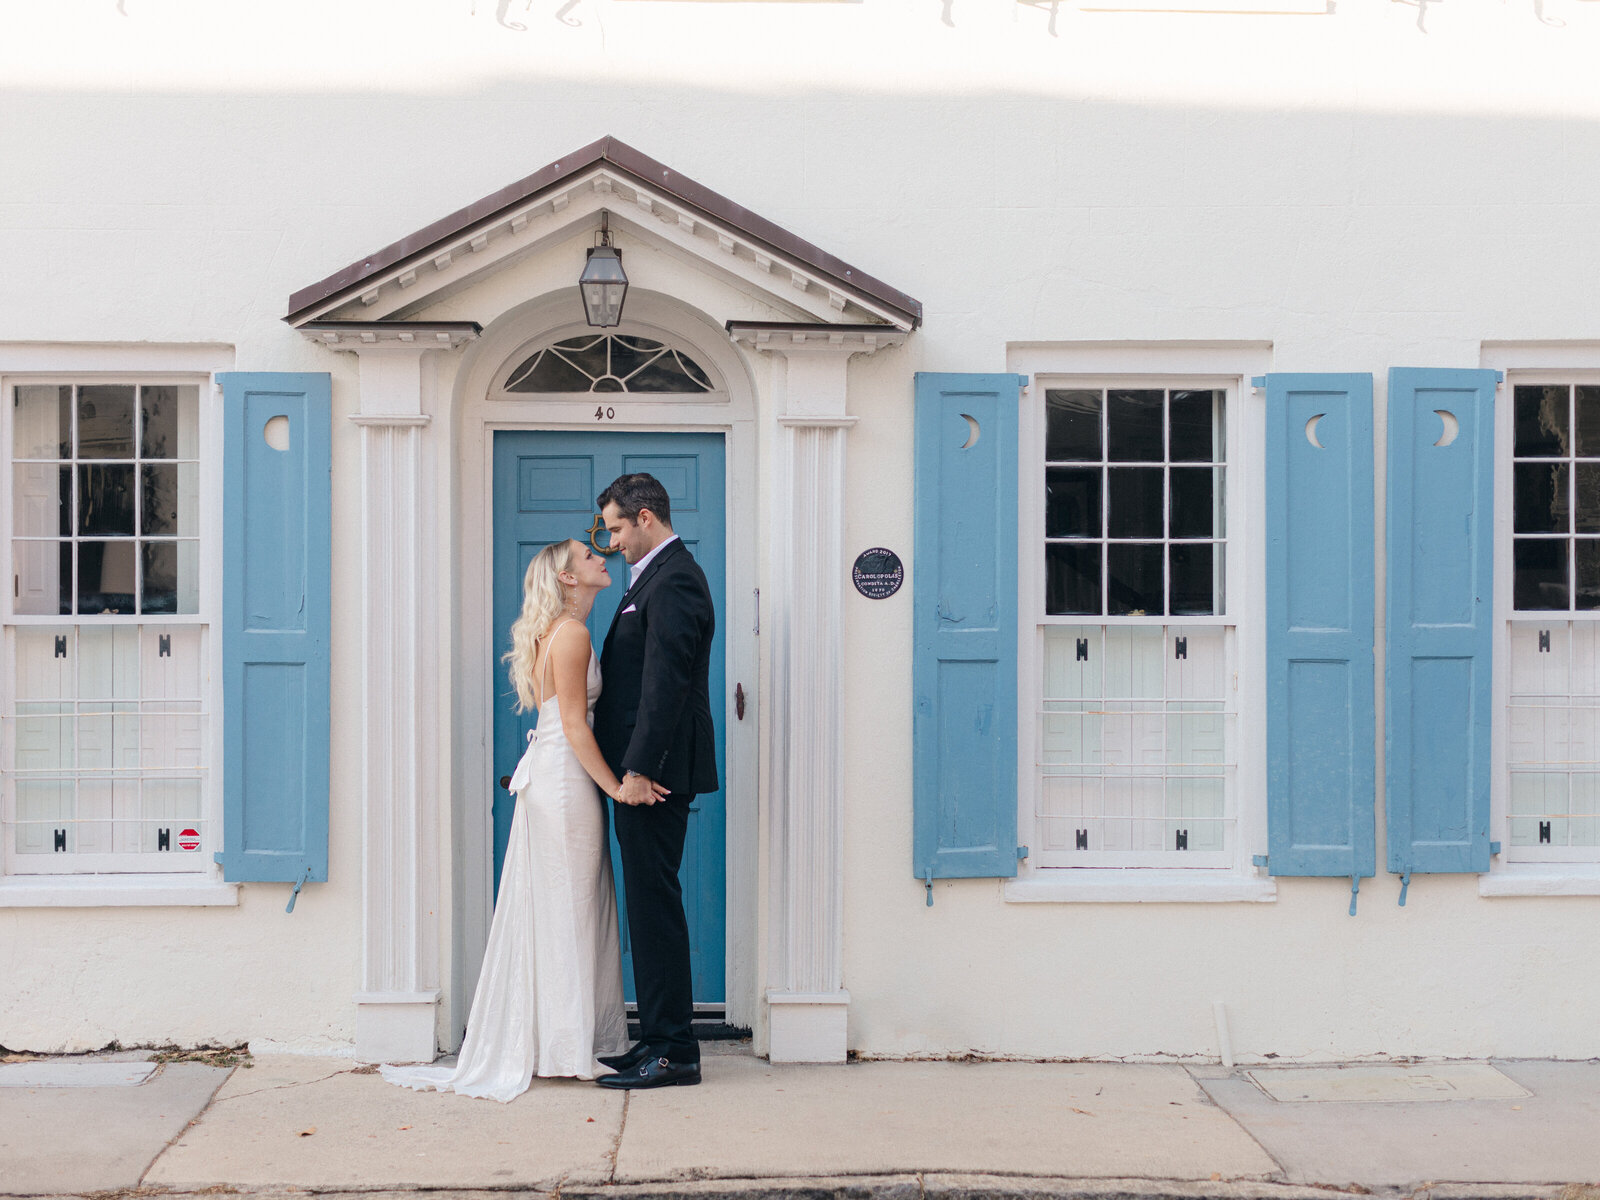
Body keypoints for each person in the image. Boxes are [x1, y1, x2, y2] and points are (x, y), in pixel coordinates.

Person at [382, 539, 662, 1101]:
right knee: (572, 908)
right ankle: (565, 1044)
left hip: (552, 775)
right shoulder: (573, 634)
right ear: (565, 578)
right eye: (587, 556)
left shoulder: (555, 632)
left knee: (562, 905)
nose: (599, 557)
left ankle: (560, 1038)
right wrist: (618, 789)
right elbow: (577, 728)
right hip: (563, 778)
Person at [592, 473, 718, 1090]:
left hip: (655, 777)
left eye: (616, 527)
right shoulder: (652, 578)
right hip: (642, 772)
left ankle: (675, 1050)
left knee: (654, 906)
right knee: (647, 905)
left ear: (646, 517)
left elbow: (665, 682)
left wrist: (639, 769)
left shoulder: (677, 579)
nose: (610, 540)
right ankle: (658, 1039)